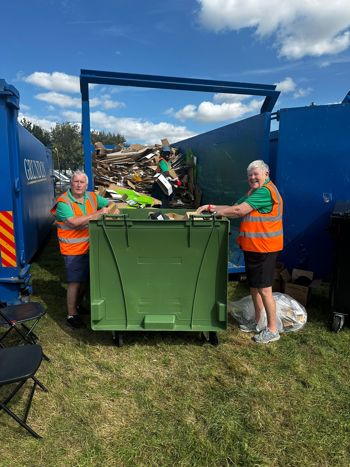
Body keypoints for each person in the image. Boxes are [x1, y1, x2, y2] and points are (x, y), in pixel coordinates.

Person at [197, 160, 283, 344]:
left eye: (256, 174)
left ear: (266, 174)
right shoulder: (254, 192)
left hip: (265, 248)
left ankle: (272, 330)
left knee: (265, 289)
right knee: (254, 287)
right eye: (250, 175)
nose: (252, 178)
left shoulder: (266, 192)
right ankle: (258, 322)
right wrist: (211, 207)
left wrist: (214, 214)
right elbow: (232, 206)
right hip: (253, 247)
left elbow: (238, 211)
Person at [51, 170, 118, 328]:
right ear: (71, 183)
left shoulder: (92, 197)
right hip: (73, 249)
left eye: (82, 182)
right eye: (76, 182)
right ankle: (71, 314)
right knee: (75, 282)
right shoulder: (63, 203)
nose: (79, 185)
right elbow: (74, 223)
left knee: (87, 280)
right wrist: (98, 213)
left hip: (91, 247)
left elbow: (109, 204)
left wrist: (113, 209)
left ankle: (78, 305)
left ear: (87, 185)